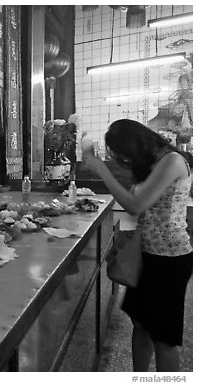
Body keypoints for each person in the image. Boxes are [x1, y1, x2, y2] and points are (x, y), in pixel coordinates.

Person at [81, 119, 192, 372]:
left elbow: (136, 205)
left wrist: (101, 169)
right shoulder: (155, 162)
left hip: (169, 259)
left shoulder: (172, 161)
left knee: (163, 338)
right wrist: (98, 161)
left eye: (124, 154)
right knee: (141, 326)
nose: (125, 160)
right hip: (147, 254)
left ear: (137, 144)